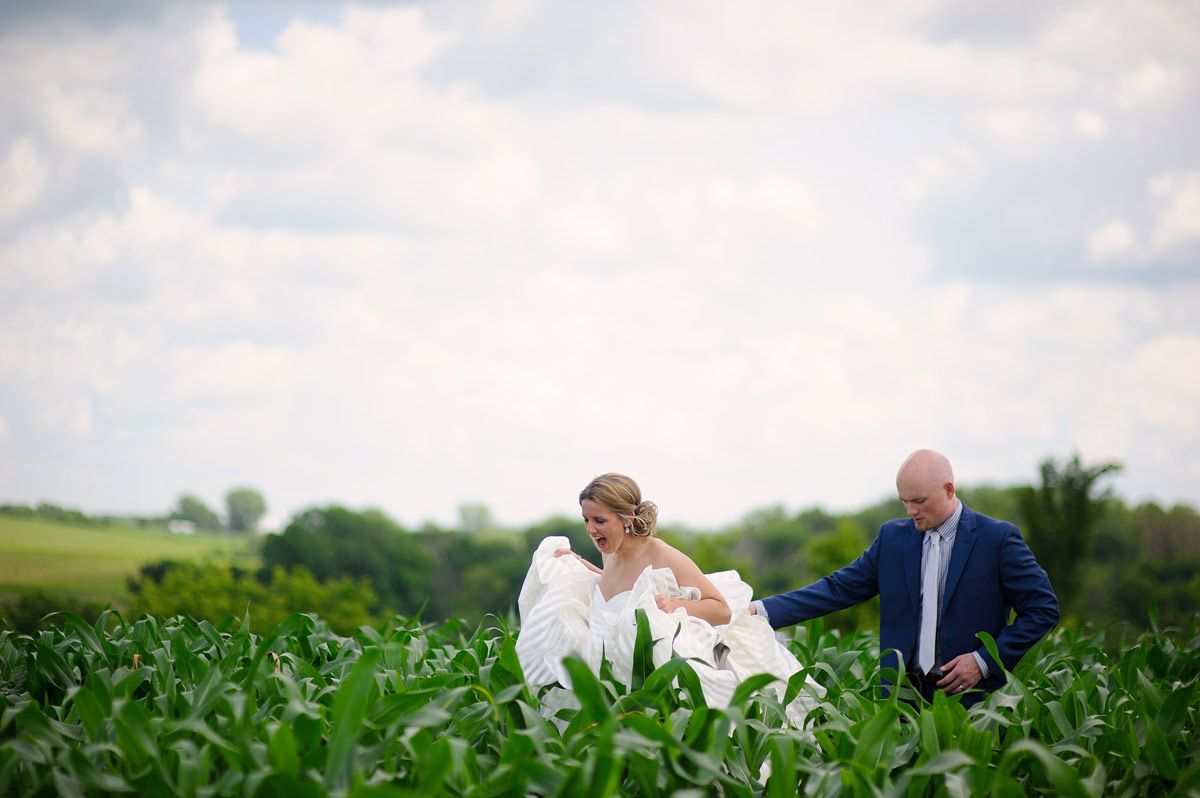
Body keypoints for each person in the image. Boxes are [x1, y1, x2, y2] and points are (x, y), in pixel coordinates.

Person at [750, 449, 1060, 707]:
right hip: (900, 699)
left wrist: (982, 661)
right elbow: (838, 588)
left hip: (972, 701)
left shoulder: (998, 539)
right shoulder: (892, 539)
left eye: (919, 501)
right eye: (904, 501)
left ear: (949, 490)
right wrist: (759, 612)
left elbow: (1043, 609)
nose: (910, 511)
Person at [517, 473, 821, 723]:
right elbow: (615, 588)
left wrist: (678, 605)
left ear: (626, 517)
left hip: (655, 686)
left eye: (599, 520)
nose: (590, 529)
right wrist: (576, 566)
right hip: (608, 678)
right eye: (586, 520)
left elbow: (721, 609)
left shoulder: (663, 556)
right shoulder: (610, 552)